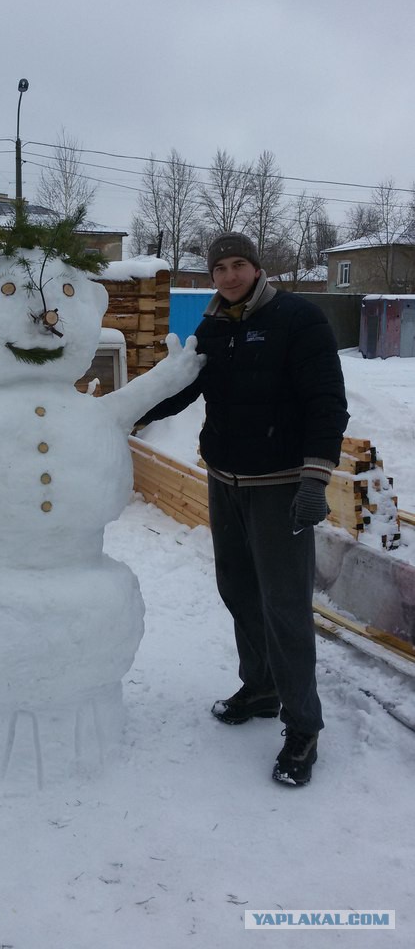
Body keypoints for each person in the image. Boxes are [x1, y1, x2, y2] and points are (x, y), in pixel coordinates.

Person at [139, 233, 348, 786]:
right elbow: (185, 392)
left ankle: (303, 727)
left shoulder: (297, 318)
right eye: (219, 268)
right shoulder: (214, 325)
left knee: (285, 606)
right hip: (224, 477)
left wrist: (315, 477)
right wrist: (125, 411)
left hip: (280, 485)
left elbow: (327, 402)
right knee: (237, 589)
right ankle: (260, 688)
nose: (229, 276)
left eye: (239, 265)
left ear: (257, 268)